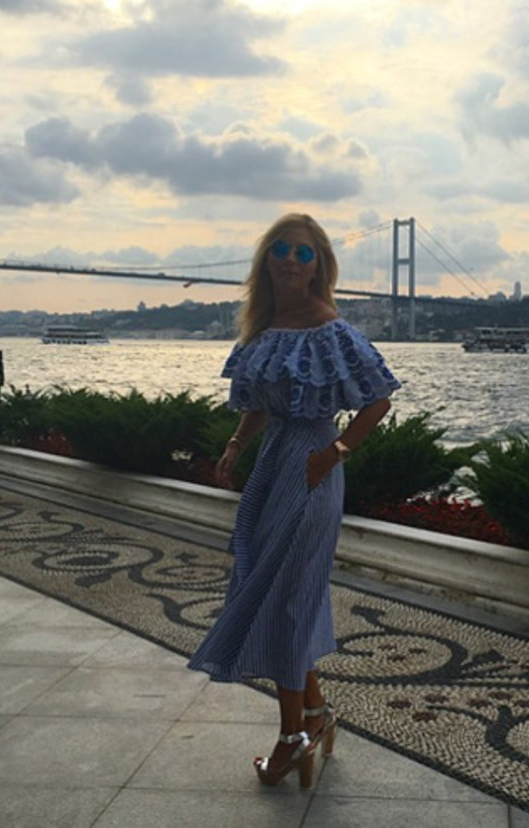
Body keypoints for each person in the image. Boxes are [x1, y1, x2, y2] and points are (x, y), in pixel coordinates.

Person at [188, 213, 400, 788]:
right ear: (266, 259)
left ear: (318, 266)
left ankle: (292, 739)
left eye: (303, 252)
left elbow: (378, 399)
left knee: (286, 599)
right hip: (273, 464)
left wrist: (335, 453)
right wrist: (236, 444)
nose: (289, 259)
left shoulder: (329, 327)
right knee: (274, 588)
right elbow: (260, 402)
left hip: (311, 468)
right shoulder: (264, 327)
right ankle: (315, 714)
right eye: (280, 248)